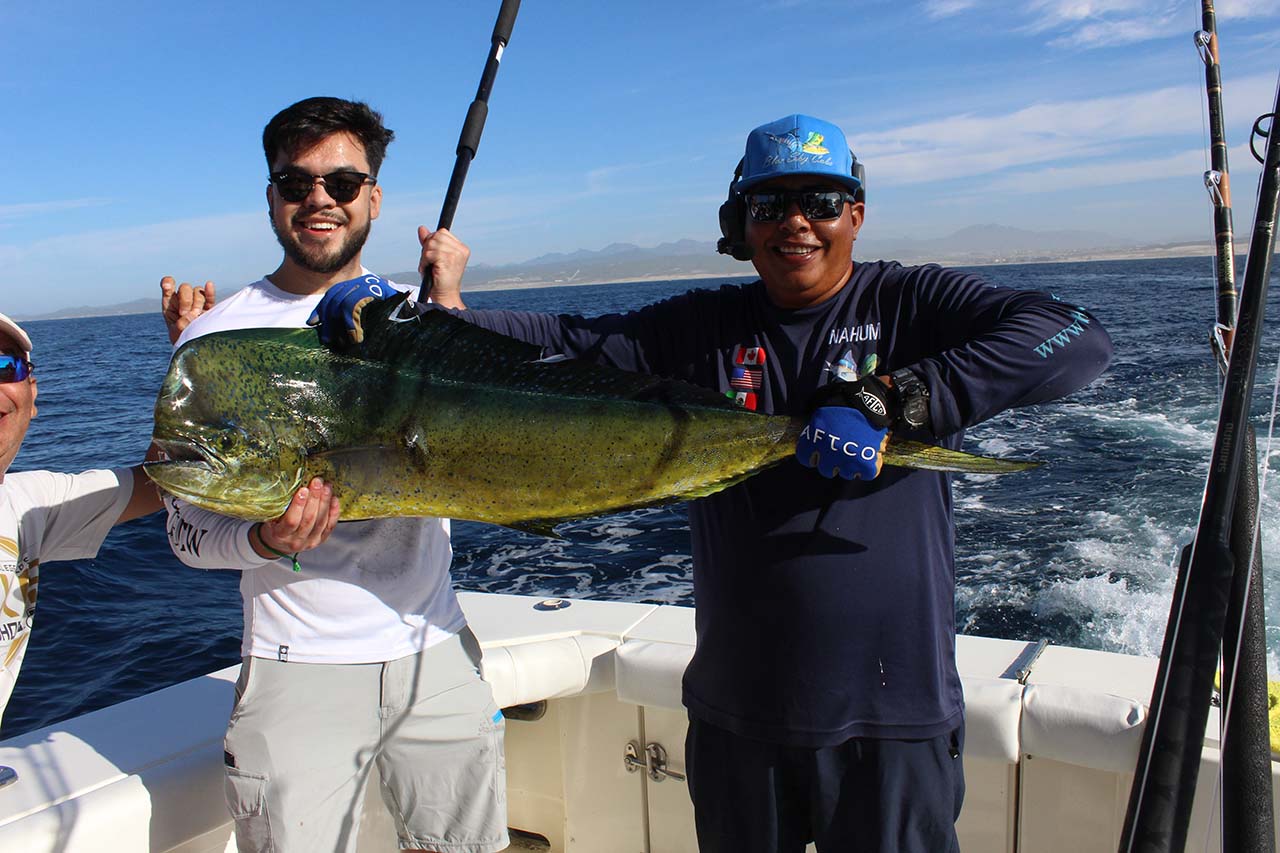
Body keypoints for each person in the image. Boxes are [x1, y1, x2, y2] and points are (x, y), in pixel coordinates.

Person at [314, 113, 1115, 852]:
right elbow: (563, 337)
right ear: (742, 223)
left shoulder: (914, 301)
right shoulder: (701, 327)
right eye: (770, 204)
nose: (796, 221)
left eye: (821, 200)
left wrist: (897, 397)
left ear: (856, 215)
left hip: (893, 715)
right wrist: (422, 316)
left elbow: (1074, 338)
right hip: (739, 716)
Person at [159, 97, 507, 853]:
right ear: (273, 198)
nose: (320, 199)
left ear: (373, 198)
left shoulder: (417, 320)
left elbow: (477, 450)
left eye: (344, 184)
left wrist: (443, 310)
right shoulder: (216, 337)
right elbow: (185, 530)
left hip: (436, 650)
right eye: (296, 183)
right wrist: (264, 536)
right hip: (295, 669)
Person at [0, 311, 163, 730]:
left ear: (32, 394)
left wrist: (194, 354)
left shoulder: (28, 503)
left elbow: (158, 483)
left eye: (4, 365)